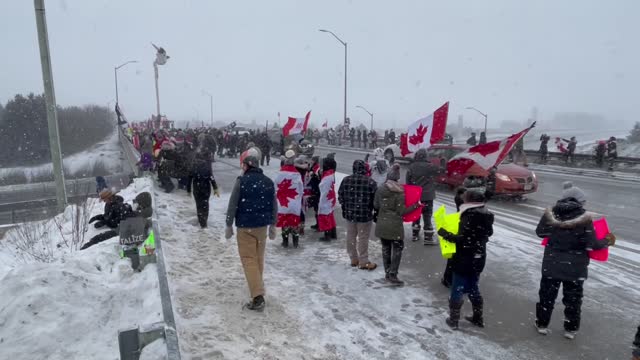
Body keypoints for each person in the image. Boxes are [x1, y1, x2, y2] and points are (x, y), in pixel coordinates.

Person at [534, 184, 611, 339]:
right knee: (573, 299)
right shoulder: (585, 219)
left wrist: (555, 232)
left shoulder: (550, 214)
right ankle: (571, 329)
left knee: (547, 296)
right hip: (575, 267)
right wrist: (607, 241)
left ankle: (542, 324)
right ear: (579, 201)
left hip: (552, 263)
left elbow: (540, 233)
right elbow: (591, 244)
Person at [225, 155, 277, 311]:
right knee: (258, 259)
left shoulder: (241, 181)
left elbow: (233, 203)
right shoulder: (268, 181)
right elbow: (274, 204)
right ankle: (257, 287)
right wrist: (273, 224)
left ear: (247, 166)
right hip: (262, 226)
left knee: (248, 259)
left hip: (245, 226)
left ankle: (257, 296)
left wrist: (229, 224)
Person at [437, 190, 494, 330]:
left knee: (458, 287)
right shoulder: (486, 214)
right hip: (479, 256)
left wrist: (445, 233)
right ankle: (478, 317)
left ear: (470, 201)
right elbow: (488, 233)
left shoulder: (469, 215)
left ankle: (454, 320)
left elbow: (462, 240)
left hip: (465, 257)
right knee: (473, 286)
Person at [374, 164, 420, 285]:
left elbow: (376, 206)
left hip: (382, 224)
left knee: (386, 248)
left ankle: (387, 272)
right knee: (397, 249)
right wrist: (415, 205)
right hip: (394, 226)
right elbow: (401, 211)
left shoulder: (380, 189)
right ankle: (393, 274)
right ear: (397, 178)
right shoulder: (399, 191)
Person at [338, 160, 379, 270]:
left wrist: (346, 206)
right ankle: (363, 261)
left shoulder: (346, 180)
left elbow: (340, 196)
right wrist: (374, 210)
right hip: (364, 215)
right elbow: (376, 201)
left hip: (350, 214)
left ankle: (353, 258)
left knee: (350, 236)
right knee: (363, 238)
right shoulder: (370, 182)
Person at [82, 191, 151, 250]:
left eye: (105, 199)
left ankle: (88, 245)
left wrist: (105, 222)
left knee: (100, 238)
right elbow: (109, 216)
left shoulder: (120, 206)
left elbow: (119, 222)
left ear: (109, 198)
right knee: (99, 237)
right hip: (122, 226)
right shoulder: (109, 204)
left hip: (123, 228)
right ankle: (89, 244)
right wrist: (99, 217)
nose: (104, 201)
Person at [406, 148, 442, 245]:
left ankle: (415, 234)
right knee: (427, 216)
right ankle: (428, 238)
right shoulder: (429, 166)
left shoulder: (411, 166)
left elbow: (408, 182)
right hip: (427, 196)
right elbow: (439, 171)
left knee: (416, 215)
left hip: (416, 196)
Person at [275, 151, 304, 248]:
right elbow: (300, 189)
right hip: (294, 202)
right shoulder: (297, 174)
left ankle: (285, 241)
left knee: (285, 222)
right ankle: (296, 242)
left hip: (283, 202)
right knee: (294, 222)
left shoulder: (280, 173)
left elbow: (276, 187)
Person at [441, 187, 468, 288]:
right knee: (454, 258)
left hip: (459, 228)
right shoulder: (461, 202)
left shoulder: (462, 202)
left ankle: (448, 279)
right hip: (458, 228)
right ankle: (449, 279)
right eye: (464, 194)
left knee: (454, 258)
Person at [191, 139, 220, 229]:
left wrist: (188, 188)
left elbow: (190, 177)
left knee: (198, 204)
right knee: (205, 204)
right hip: (206, 187)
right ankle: (204, 222)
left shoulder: (195, 165)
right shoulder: (207, 162)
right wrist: (215, 187)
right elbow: (211, 176)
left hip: (197, 187)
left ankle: (201, 220)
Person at [318, 154, 338, 240]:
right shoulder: (330, 174)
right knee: (330, 215)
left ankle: (327, 235)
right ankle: (333, 233)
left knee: (324, 215)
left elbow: (324, 191)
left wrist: (321, 203)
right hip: (330, 198)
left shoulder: (327, 177)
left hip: (326, 198)